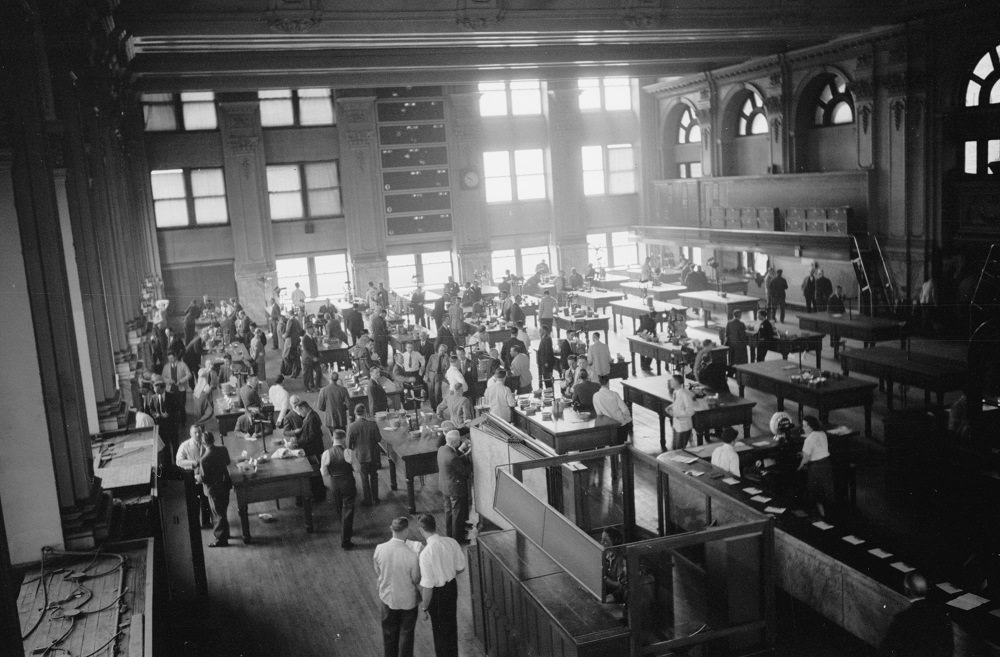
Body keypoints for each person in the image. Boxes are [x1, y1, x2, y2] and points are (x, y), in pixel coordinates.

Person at [417, 513, 467, 657]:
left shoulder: (426, 554)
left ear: (421, 530)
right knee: (452, 627)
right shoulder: (451, 542)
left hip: (437, 595)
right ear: (434, 526)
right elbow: (461, 567)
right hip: (451, 588)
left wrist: (424, 608)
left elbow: (428, 587)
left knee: (440, 632)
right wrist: (447, 573)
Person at [373, 517, 422, 657]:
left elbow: (378, 571)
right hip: (407, 601)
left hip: (387, 599)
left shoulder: (379, 549)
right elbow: (416, 579)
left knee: (389, 635)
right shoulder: (412, 555)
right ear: (406, 531)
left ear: (391, 529)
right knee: (406, 636)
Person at [878, 572, 954, 657]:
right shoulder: (943, 616)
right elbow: (948, 649)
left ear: (907, 591)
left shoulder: (903, 618)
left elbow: (887, 648)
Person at [321, 429, 356, 549]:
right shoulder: (348, 452)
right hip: (347, 482)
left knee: (339, 507)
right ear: (343, 439)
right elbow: (357, 468)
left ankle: (344, 528)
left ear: (333, 439)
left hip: (334, 483)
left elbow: (324, 472)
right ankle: (346, 540)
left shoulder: (326, 453)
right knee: (348, 509)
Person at [197, 431, 232, 548]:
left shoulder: (204, 459)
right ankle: (226, 534)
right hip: (225, 485)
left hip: (213, 489)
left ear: (202, 443)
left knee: (217, 514)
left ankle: (220, 539)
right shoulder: (223, 450)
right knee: (223, 510)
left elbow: (204, 478)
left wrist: (198, 478)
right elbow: (227, 462)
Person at [437, 430, 472, 541]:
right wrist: (470, 460)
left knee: (448, 511)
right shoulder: (453, 457)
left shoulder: (442, 449)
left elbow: (453, 461)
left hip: (444, 485)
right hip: (454, 488)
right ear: (455, 442)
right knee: (457, 513)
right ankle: (458, 538)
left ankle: (450, 534)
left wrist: (463, 453)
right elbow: (464, 472)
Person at [798, 416, 834, 518]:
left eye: (805, 426)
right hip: (827, 465)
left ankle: (821, 516)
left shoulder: (808, 440)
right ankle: (829, 516)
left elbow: (805, 460)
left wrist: (799, 468)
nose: (803, 428)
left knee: (815, 493)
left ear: (811, 426)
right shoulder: (822, 434)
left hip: (816, 468)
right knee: (827, 491)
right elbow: (819, 449)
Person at [348, 403, 382, 505]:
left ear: (355, 413)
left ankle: (367, 500)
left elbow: (348, 445)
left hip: (361, 457)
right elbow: (379, 439)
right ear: (365, 413)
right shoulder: (373, 424)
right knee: (374, 476)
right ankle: (376, 498)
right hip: (373, 455)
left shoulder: (351, 427)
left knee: (364, 478)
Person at [593, 375, 632, 444]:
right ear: (608, 383)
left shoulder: (595, 396)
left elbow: (599, 413)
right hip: (620, 425)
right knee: (622, 445)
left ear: (600, 383)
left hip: (607, 427)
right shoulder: (614, 394)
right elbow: (625, 410)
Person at [667, 375, 695, 451]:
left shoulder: (684, 394)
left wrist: (676, 414)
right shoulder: (676, 392)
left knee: (679, 450)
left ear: (677, 382)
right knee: (675, 448)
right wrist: (670, 407)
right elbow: (677, 403)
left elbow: (690, 411)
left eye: (672, 381)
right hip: (677, 425)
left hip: (684, 426)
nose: (670, 382)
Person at [424, 343, 451, 408]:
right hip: (431, 374)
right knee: (430, 393)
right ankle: (433, 408)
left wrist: (446, 358)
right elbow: (427, 367)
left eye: (443, 351)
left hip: (439, 376)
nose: (441, 352)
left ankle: (438, 407)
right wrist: (426, 375)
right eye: (441, 350)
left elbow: (447, 368)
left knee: (437, 393)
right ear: (438, 349)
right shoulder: (432, 356)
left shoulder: (445, 358)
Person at [301, 325, 322, 392]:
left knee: (319, 372)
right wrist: (313, 357)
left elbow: (315, 348)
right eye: (312, 329)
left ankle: (317, 386)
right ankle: (306, 388)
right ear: (308, 330)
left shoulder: (312, 337)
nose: (313, 330)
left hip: (314, 359)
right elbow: (306, 350)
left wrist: (318, 355)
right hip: (307, 360)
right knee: (307, 375)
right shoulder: (305, 339)